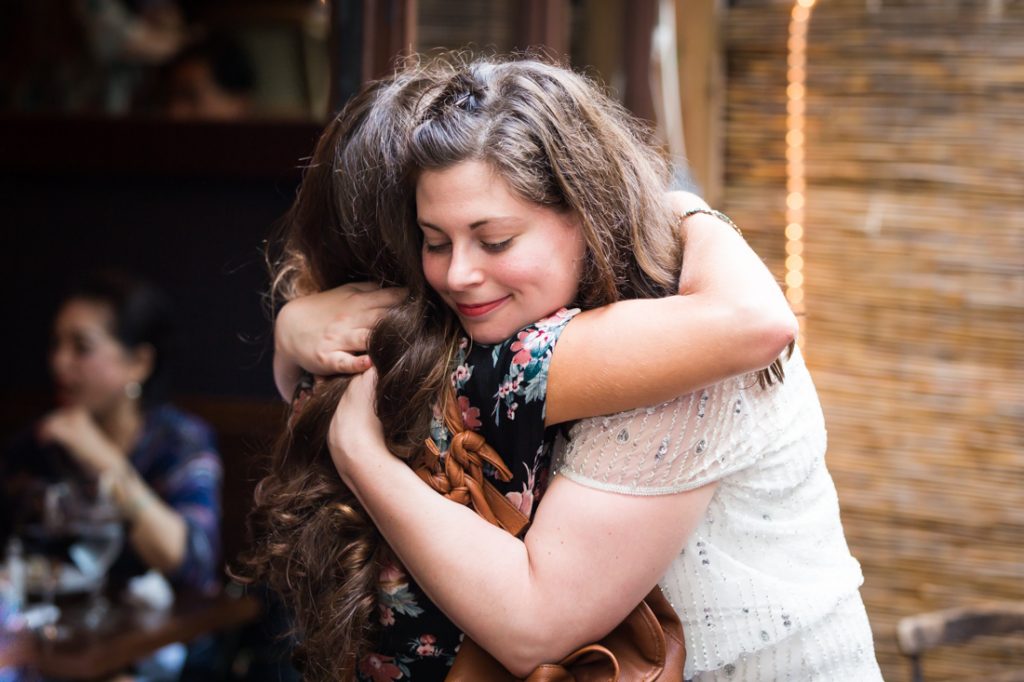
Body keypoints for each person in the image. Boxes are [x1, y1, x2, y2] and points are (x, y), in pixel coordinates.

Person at [251, 56, 880, 680]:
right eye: (434, 243)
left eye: (495, 240)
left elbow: (757, 324)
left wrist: (314, 372)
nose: (459, 274)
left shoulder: (654, 349)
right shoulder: (459, 354)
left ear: (584, 208)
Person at [0, 272, 222, 679]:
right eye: (56, 345)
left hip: (163, 655)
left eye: (80, 347)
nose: (59, 362)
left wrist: (104, 459)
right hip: (54, 650)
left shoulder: (179, 442)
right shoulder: (38, 446)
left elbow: (191, 564)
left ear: (139, 362)